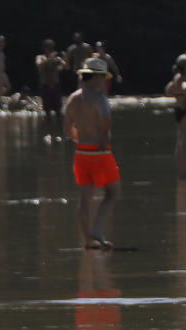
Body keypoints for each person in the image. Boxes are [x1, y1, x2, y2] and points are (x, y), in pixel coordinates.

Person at [63, 57, 119, 249]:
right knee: (112, 192)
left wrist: (79, 139)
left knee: (85, 196)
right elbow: (106, 118)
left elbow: (66, 128)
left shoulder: (72, 98)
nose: (104, 81)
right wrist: (103, 136)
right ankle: (96, 230)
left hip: (81, 152)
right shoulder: (98, 97)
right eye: (102, 77)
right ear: (95, 77)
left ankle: (88, 239)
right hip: (100, 152)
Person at [166, 54, 186, 181]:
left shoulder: (176, 77)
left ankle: (181, 172)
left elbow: (168, 90)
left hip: (178, 111)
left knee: (180, 143)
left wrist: (178, 95)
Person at [36, 39, 67, 131]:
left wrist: (64, 59)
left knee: (59, 112)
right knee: (47, 112)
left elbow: (65, 66)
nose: (50, 49)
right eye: (48, 47)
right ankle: (48, 132)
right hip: (45, 86)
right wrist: (49, 59)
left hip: (55, 86)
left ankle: (61, 132)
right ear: (44, 48)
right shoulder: (40, 57)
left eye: (52, 48)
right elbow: (39, 66)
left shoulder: (56, 59)